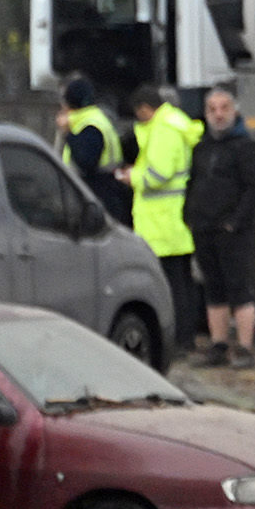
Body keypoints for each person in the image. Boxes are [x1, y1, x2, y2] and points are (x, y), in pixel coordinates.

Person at [184, 84, 255, 368]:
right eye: (212, 110)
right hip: (204, 227)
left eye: (224, 109)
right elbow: (193, 181)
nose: (218, 115)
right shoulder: (202, 147)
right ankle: (218, 345)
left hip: (234, 232)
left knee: (239, 288)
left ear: (235, 111)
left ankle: (245, 349)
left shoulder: (244, 147)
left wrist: (236, 222)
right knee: (213, 288)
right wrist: (189, 215)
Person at [128, 86, 204, 356]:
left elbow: (158, 174)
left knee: (173, 285)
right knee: (181, 282)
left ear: (144, 109)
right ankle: (185, 337)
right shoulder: (173, 124)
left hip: (163, 222)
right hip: (172, 220)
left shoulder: (163, 130)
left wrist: (131, 177)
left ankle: (181, 340)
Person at [55, 77, 131, 225]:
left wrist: (68, 134)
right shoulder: (96, 118)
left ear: (68, 102)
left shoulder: (89, 125)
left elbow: (86, 161)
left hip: (96, 194)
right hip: (107, 191)